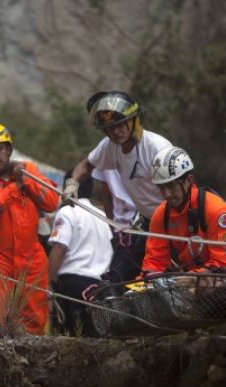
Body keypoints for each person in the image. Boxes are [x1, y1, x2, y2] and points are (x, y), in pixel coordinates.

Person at [63, 91, 172, 280]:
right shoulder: (109, 147)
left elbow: (182, 191)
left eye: (121, 124)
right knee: (120, 277)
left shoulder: (156, 148)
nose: (116, 131)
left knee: (167, 276)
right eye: (110, 127)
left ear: (134, 121)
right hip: (147, 223)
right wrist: (72, 184)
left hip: (174, 222)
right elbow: (85, 166)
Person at [0, 123, 60, 336]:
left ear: (9, 150)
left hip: (31, 255)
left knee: (34, 316)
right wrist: (14, 187)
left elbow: (51, 202)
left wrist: (26, 179)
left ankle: (33, 359)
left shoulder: (28, 170)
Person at [141, 147, 226, 274]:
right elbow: (155, 261)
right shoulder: (161, 215)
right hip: (186, 282)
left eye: (172, 186)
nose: (167, 194)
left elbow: (223, 264)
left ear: (189, 180)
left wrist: (189, 279)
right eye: (161, 188)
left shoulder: (217, 211)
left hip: (225, 282)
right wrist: (146, 279)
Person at [48, 173, 113, 336]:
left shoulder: (68, 211)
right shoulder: (104, 218)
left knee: (65, 338)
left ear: (67, 187)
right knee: (91, 339)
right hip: (99, 288)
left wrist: (47, 281)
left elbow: (60, 247)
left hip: (71, 285)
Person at [91, 168, 140, 283]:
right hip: (121, 233)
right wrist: (113, 227)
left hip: (142, 228)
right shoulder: (105, 154)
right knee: (117, 283)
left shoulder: (150, 151)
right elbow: (106, 195)